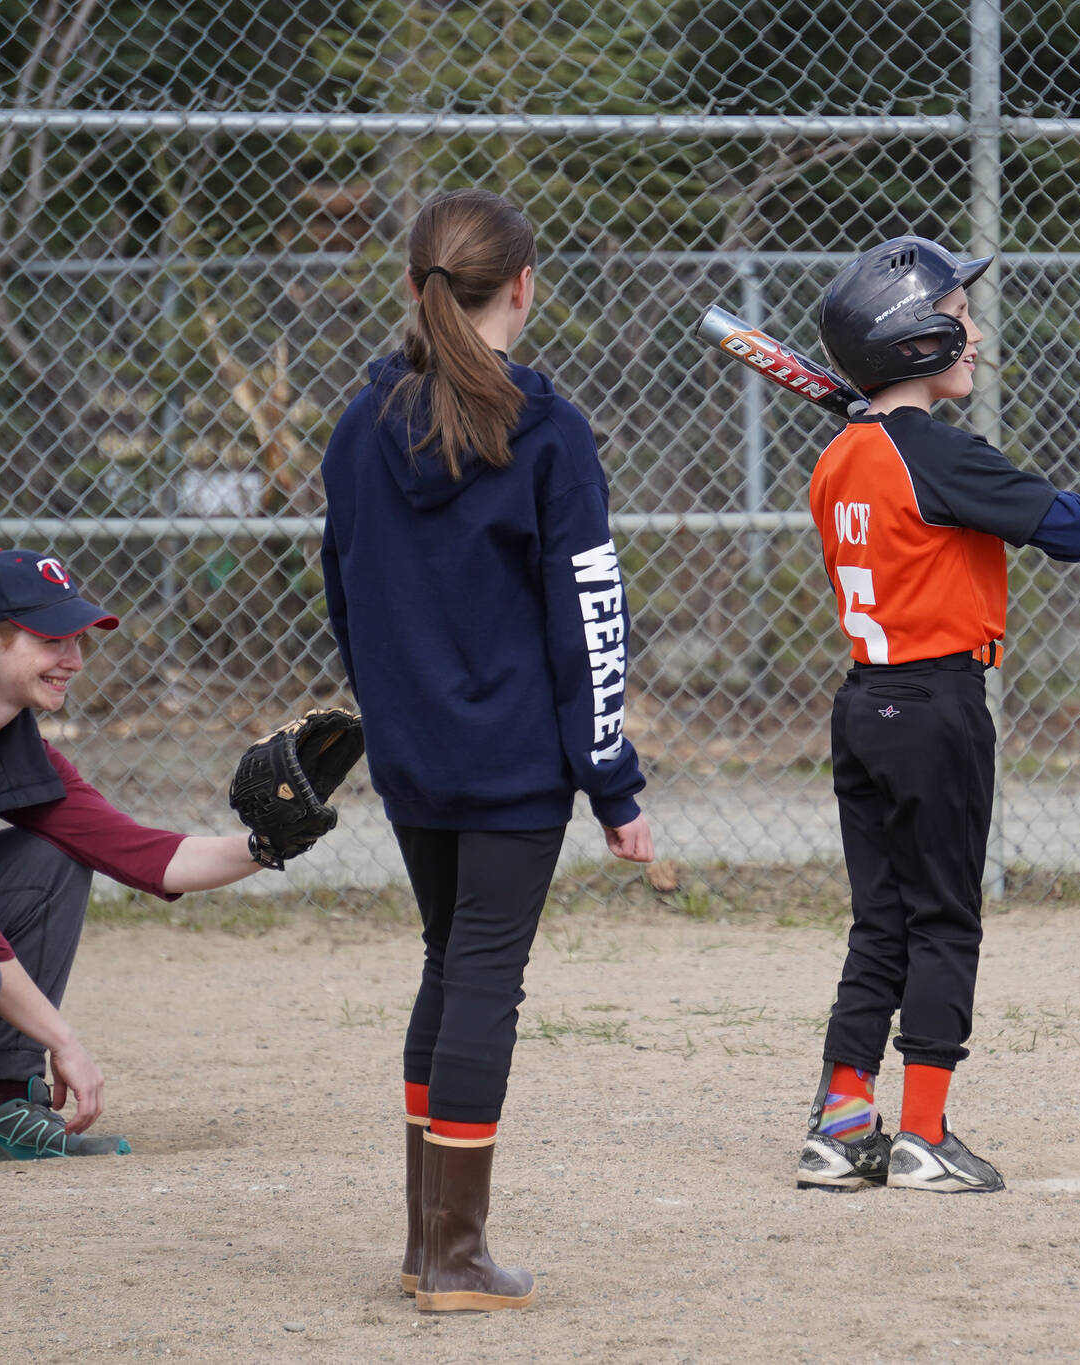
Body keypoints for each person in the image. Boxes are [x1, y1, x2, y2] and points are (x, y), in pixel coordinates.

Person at [319, 187, 654, 1314]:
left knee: (445, 963)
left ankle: (428, 1247)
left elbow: (344, 591)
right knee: (481, 979)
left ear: (415, 285)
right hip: (512, 763)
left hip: (413, 756)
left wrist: (393, 713)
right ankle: (456, 1260)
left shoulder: (359, 426)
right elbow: (588, 617)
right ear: (521, 286)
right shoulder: (546, 429)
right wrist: (612, 780)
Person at [795, 237, 1080, 1195]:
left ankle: (842, 1129)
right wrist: (1074, 503)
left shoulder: (841, 457)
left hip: (864, 707)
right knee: (943, 920)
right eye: (959, 318)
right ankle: (924, 1134)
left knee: (880, 922)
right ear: (915, 341)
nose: (975, 331)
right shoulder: (937, 453)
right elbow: (1072, 529)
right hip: (937, 705)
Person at [0, 549, 282, 1160]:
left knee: (54, 858)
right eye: (51, 640)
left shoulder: (6, 741)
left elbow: (141, 853)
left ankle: (5, 1106)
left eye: (77, 640)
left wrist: (272, 841)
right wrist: (64, 1040)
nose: (74, 660)